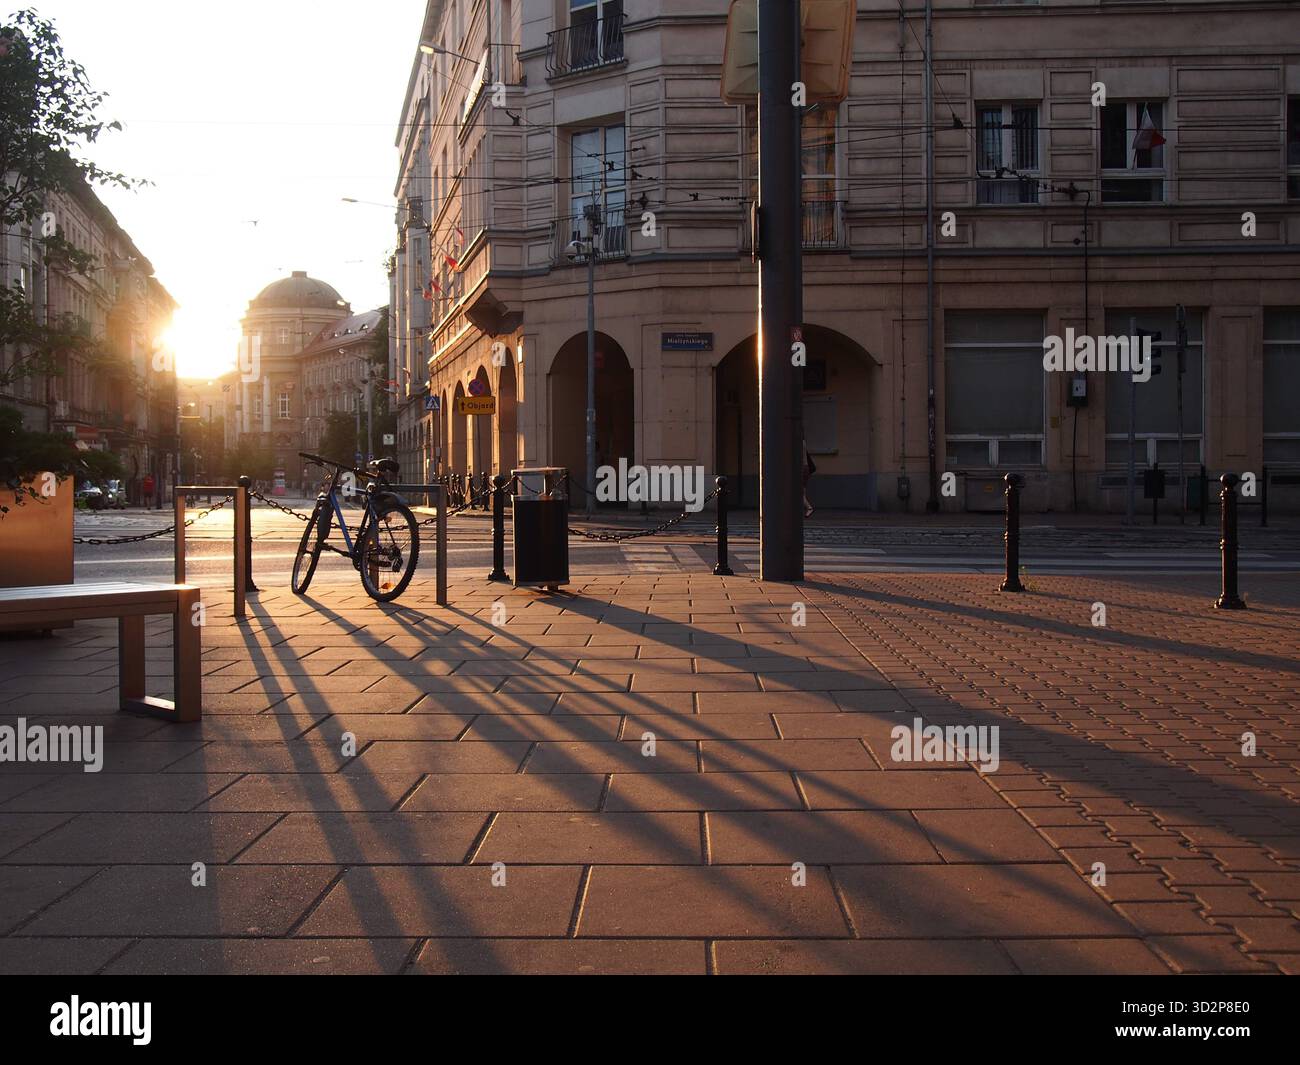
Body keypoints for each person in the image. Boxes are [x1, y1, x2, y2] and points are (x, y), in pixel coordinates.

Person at [802, 437, 816, 518]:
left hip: (802, 468)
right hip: (806, 468)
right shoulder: (803, 442)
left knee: (799, 493)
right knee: (802, 492)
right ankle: (808, 508)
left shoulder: (798, 443)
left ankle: (809, 507)